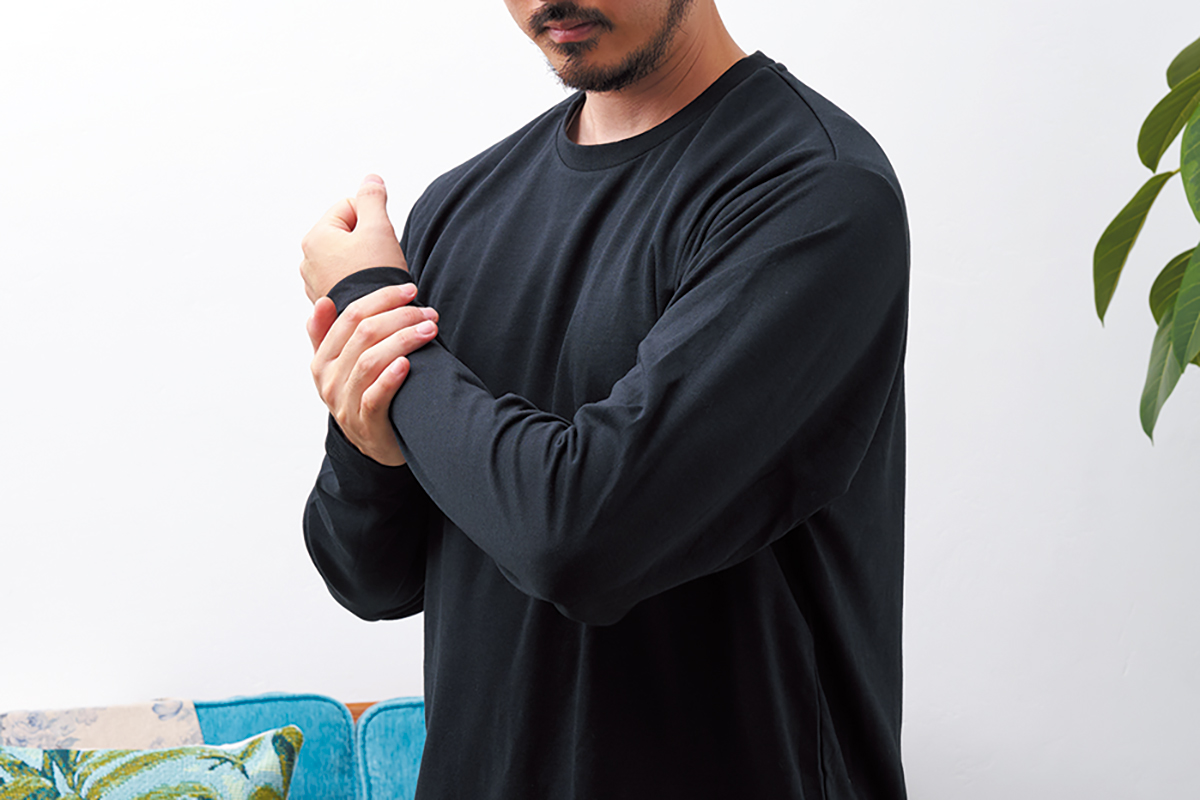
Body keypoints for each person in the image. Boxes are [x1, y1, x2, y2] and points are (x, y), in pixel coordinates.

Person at [299, 1, 909, 797]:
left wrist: (372, 310)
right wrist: (370, 419)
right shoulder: (460, 208)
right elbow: (373, 578)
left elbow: (582, 538)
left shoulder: (815, 191)